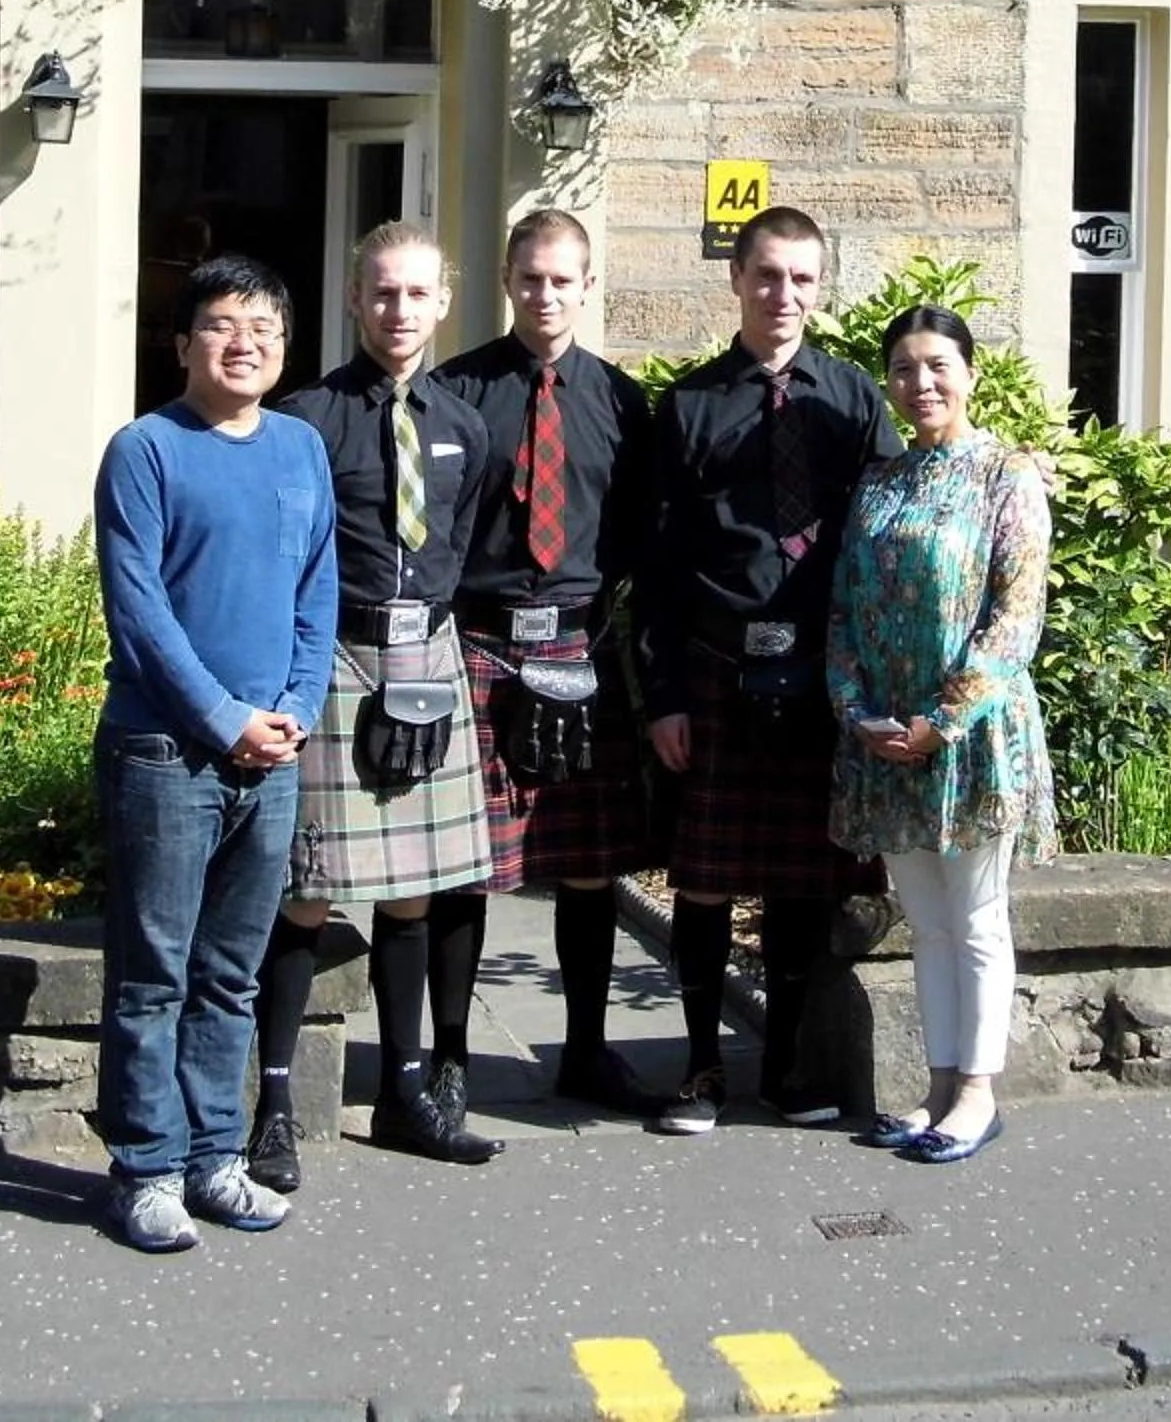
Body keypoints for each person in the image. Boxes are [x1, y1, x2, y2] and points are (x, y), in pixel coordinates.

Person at [249, 222, 502, 1190]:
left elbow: (458, 546)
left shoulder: (465, 425)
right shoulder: (308, 419)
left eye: (418, 295)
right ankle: (273, 1109)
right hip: (335, 657)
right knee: (305, 892)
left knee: (414, 891)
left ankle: (406, 1095)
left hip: (426, 655)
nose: (400, 311)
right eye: (382, 294)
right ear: (355, 302)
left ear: (444, 304)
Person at [91, 254, 335, 1255]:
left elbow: (318, 591)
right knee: (154, 973)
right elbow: (138, 610)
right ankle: (145, 1168)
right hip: (165, 753)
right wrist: (223, 716)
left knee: (232, 973)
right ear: (183, 341)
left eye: (266, 328)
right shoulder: (145, 450)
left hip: (270, 756)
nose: (247, 344)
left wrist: (296, 708)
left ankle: (214, 1159)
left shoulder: (300, 448)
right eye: (225, 326)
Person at [640, 205, 902, 1135]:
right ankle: (702, 1068)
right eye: (767, 276)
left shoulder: (855, 400)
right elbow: (660, 565)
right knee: (703, 878)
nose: (783, 294)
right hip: (718, 667)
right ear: (737, 281)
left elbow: (887, 545)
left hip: (822, 677)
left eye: (801, 278)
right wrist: (663, 695)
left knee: (803, 881)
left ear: (820, 288)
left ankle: (788, 1068)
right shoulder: (690, 405)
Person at [428, 209, 665, 1120]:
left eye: (563, 279)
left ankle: (588, 1051)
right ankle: (449, 1058)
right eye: (531, 278)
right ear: (506, 279)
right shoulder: (456, 392)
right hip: (480, 640)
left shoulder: (621, 402)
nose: (546, 294)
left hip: (580, 642)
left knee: (589, 865)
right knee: (464, 864)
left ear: (588, 284)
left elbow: (644, 536)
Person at [827, 304, 1056, 1166]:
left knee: (976, 917)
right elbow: (843, 612)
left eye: (937, 367)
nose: (920, 384)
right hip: (888, 739)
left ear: (969, 374)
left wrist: (944, 720)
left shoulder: (1006, 476)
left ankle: (977, 1093)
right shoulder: (879, 485)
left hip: (971, 739)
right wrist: (857, 712)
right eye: (904, 369)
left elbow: (1014, 617)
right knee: (924, 922)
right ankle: (933, 1086)